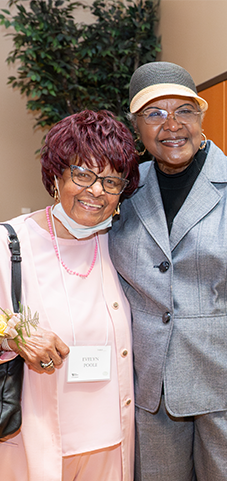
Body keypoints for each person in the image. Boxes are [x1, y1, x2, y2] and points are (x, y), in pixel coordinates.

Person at [108, 61, 227, 481]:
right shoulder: (123, 187)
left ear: (201, 116)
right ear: (135, 125)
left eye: (184, 111)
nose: (172, 125)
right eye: (155, 113)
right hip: (150, 392)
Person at [0, 110, 140, 480]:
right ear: (56, 176)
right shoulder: (9, 243)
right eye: (82, 174)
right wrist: (12, 335)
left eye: (111, 181)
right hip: (33, 442)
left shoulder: (121, 246)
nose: (96, 191)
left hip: (113, 446)